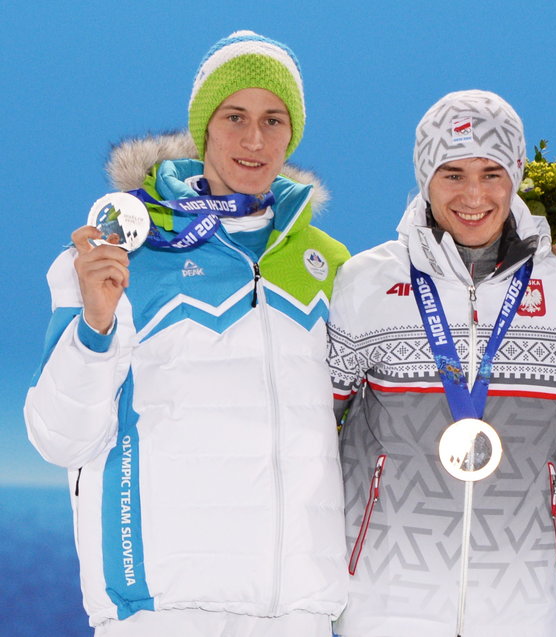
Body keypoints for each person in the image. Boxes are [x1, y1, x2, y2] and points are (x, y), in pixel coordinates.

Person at [24, 31, 349, 636]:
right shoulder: (122, 253)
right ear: (204, 128)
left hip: (295, 614)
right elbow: (59, 439)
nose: (254, 140)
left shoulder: (331, 266)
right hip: (161, 611)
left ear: (292, 132)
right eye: (235, 117)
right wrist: (93, 326)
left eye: (273, 119)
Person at [327, 89, 556, 637]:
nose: (473, 194)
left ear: (517, 177)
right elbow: (310, 428)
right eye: (452, 173)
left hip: (527, 605)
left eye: (492, 173)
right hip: (384, 602)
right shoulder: (367, 283)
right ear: (424, 178)